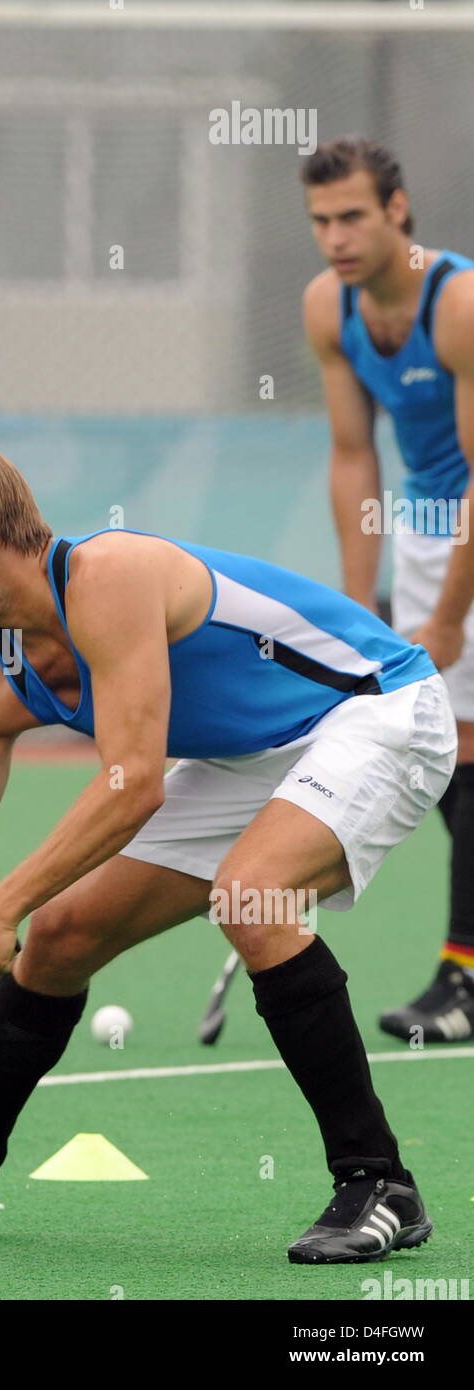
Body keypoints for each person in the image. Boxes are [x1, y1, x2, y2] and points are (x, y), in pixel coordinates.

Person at [0, 438, 456, 1264]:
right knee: (61, 937)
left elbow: (133, 784)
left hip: (380, 709)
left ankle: (379, 1180)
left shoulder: (112, 575)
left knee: (252, 892)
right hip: (251, 754)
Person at [302, 136, 474, 1042]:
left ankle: (464, 975)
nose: (336, 236)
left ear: (397, 211)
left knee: (465, 747)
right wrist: (355, 604)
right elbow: (352, 452)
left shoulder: (458, 304)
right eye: (322, 220)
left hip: (470, 528)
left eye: (353, 216)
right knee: (442, 755)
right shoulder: (330, 308)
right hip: (424, 530)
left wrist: (447, 616)